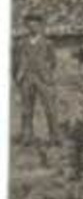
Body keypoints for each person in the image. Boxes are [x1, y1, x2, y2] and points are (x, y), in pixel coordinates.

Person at [13, 9, 59, 147]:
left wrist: (46, 74)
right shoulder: (21, 43)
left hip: (43, 79)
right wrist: (19, 77)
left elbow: (53, 61)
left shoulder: (48, 43)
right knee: (27, 110)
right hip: (26, 78)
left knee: (50, 108)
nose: (32, 27)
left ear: (40, 26)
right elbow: (15, 62)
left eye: (35, 24)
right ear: (26, 26)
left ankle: (54, 137)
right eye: (30, 24)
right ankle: (27, 137)